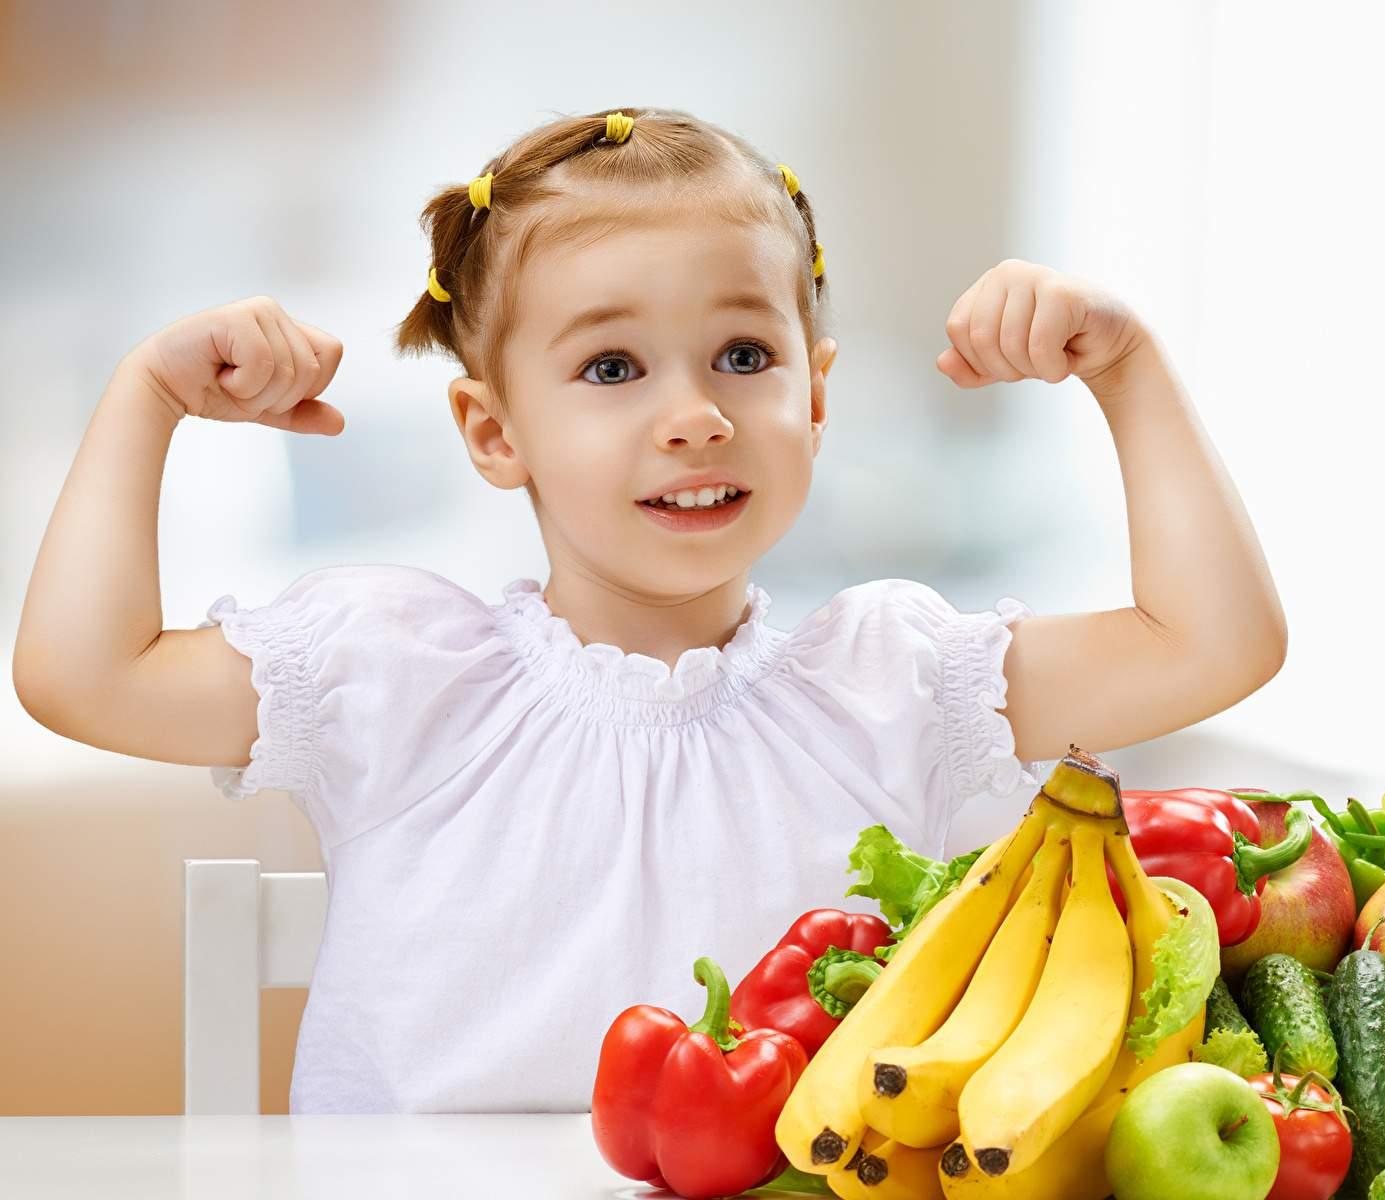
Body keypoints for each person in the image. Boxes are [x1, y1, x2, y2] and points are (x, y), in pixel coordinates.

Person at [13, 106, 1288, 1114]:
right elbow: (83, 675)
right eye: (612, 368)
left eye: (745, 356)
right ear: (493, 430)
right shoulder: (392, 671)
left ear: (818, 397)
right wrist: (148, 400)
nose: (697, 413)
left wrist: (1128, 370)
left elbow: (1215, 645)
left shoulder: (895, 682)